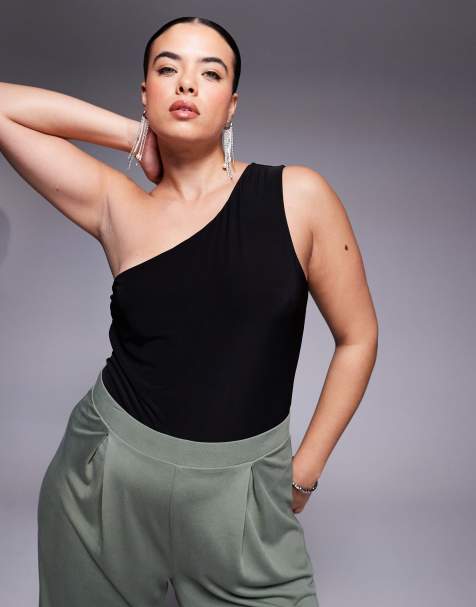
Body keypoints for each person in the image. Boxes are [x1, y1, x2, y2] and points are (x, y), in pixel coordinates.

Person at [0, 15, 379, 607]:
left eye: (211, 73)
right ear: (145, 92)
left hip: (243, 496)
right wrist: (133, 136)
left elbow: (358, 337)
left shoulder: (297, 196)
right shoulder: (118, 205)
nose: (186, 84)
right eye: (167, 69)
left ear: (231, 106)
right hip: (105, 488)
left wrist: (304, 471)